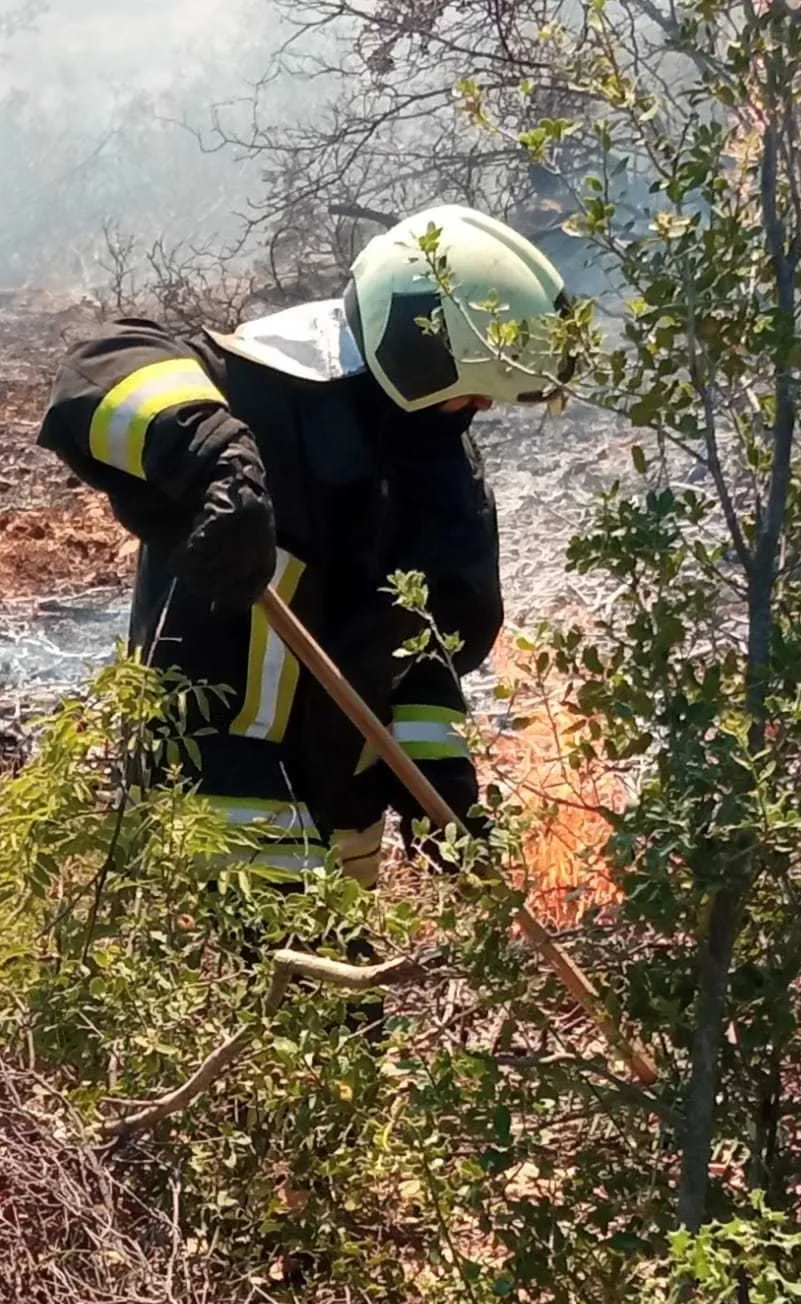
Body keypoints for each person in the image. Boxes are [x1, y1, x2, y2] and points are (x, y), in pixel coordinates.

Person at [38, 206, 569, 887]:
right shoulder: (254, 387)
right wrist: (215, 459)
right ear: (419, 353)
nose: (484, 409)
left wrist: (444, 785)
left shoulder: (434, 460)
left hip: (344, 793)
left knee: (341, 988)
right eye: (474, 390)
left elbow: (422, 646)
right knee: (314, 992)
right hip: (218, 778)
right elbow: (98, 370)